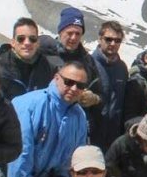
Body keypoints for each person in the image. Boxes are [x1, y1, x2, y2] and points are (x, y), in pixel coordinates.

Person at [6, 62, 89, 177]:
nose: (74, 88)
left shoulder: (79, 116)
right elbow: (21, 150)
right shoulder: (29, 104)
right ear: (57, 78)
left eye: (80, 85)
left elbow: (77, 156)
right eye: (69, 82)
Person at [42, 7, 105, 137]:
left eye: (78, 33)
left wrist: (94, 99)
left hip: (74, 126)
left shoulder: (88, 61)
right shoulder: (44, 54)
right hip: (45, 121)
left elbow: (101, 94)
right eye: (69, 32)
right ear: (60, 31)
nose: (73, 37)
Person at [0, 17, 55, 102]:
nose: (27, 43)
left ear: (37, 43)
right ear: (12, 42)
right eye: (21, 39)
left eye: (32, 39)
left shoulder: (47, 68)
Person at [92, 21, 129, 151]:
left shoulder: (122, 68)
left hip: (114, 138)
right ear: (100, 39)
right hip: (91, 135)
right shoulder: (88, 63)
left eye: (117, 40)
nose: (113, 44)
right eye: (108, 39)